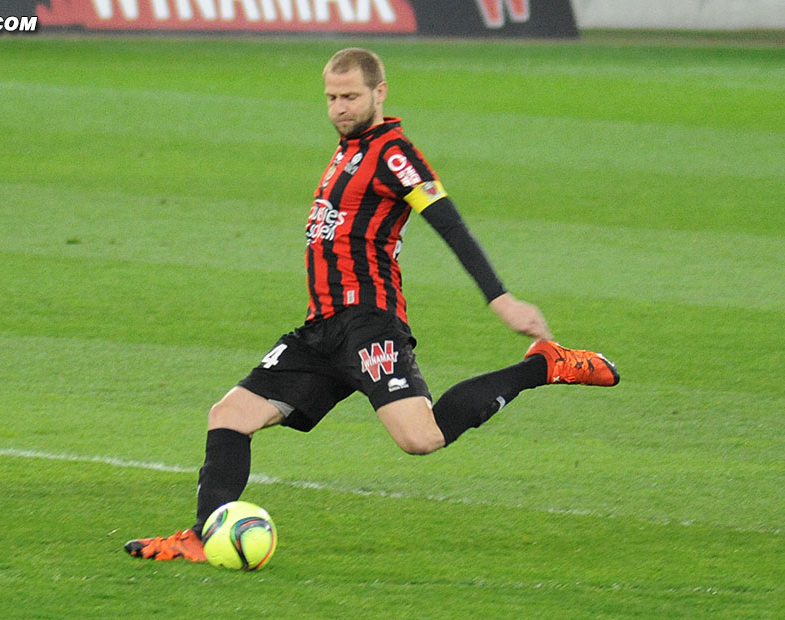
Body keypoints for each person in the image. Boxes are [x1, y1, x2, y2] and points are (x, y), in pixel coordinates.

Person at [124, 48, 619, 563]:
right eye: (332, 97)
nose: (339, 107)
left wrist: (501, 299)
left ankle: (542, 365)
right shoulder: (346, 149)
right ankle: (204, 537)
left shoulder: (393, 154)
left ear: (379, 93)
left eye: (351, 96)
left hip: (368, 323)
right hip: (321, 330)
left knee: (420, 438)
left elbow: (448, 223)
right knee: (229, 415)